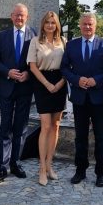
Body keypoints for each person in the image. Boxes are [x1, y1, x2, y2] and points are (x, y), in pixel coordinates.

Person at [60, 12, 103, 187]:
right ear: (80, 25)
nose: (87, 27)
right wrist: (77, 80)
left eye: (90, 24)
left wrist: (96, 80)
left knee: (101, 137)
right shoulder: (71, 45)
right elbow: (64, 68)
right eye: (84, 24)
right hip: (79, 97)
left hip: (98, 97)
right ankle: (80, 170)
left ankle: (101, 173)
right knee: (80, 137)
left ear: (95, 25)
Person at [0, 3, 36, 184]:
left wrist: (29, 73)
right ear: (11, 16)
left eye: (22, 15)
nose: (19, 18)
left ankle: (16, 163)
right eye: (16, 15)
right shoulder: (1, 36)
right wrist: (7, 72)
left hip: (25, 88)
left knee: (21, 127)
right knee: (5, 127)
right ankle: (2, 166)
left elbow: (38, 61)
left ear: (27, 17)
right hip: (7, 87)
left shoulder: (34, 36)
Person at [26, 11, 68, 186]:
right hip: (42, 83)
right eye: (47, 22)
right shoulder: (35, 41)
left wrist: (60, 83)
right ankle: (42, 168)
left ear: (57, 24)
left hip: (60, 81)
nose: (50, 25)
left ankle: (50, 164)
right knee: (45, 126)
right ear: (43, 24)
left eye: (53, 22)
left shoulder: (64, 41)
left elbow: (69, 65)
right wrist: (47, 84)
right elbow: (32, 66)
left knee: (56, 125)